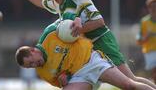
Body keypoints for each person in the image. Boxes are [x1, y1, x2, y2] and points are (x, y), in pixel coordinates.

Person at [0, 0, 156, 88]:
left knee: (130, 80)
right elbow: (40, 1)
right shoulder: (59, 2)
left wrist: (81, 28)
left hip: (100, 40)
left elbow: (99, 22)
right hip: (86, 48)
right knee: (130, 81)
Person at [15, 22, 155, 90]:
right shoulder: (42, 72)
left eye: (31, 62)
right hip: (78, 77)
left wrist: (73, 24)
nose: (35, 66)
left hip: (91, 61)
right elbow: (61, 82)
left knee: (129, 85)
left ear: (33, 50)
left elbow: (70, 19)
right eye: (30, 67)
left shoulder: (50, 34)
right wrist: (64, 79)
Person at [136, 0, 156, 84]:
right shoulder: (144, 22)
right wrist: (146, 37)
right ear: (148, 8)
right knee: (153, 73)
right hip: (150, 52)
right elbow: (138, 39)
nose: (154, 9)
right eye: (152, 7)